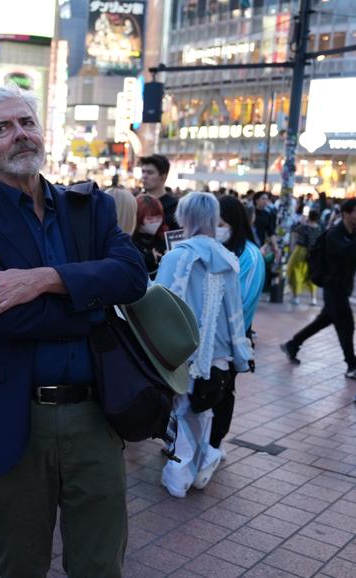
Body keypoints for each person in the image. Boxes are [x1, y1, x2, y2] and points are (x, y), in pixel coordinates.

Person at [0, 84, 147, 578]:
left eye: (27, 123)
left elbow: (132, 277)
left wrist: (45, 280)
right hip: (16, 418)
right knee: (20, 563)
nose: (20, 135)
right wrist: (92, 302)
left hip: (96, 414)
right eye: (4, 128)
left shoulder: (88, 206)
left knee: (101, 564)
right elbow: (4, 316)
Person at [155, 192, 252, 498]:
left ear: (185, 218)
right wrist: (241, 356)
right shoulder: (228, 259)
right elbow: (235, 313)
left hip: (182, 353)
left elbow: (159, 305)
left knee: (180, 412)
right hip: (219, 355)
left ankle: (179, 474)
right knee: (202, 411)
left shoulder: (176, 256)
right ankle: (199, 461)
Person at [212, 194, 264, 456]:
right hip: (201, 336)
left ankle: (215, 444)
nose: (216, 229)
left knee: (222, 391)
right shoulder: (211, 249)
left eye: (221, 223)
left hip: (229, 338)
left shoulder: (250, 257)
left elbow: (240, 304)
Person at [281, 199, 356, 379]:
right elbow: (346, 252)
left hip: (343, 287)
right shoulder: (335, 234)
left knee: (324, 320)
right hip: (332, 287)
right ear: (346, 213)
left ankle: (293, 344)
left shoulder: (352, 233)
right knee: (346, 325)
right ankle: (352, 365)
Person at [287, 208, 322, 306]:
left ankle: (296, 297)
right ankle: (313, 298)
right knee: (311, 274)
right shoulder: (319, 228)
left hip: (300, 251)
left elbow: (294, 233)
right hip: (313, 253)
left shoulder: (303, 227)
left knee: (296, 273)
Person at [132, 193, 167, 279]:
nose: (155, 222)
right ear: (138, 217)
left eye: (158, 218)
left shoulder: (163, 238)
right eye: (149, 219)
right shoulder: (130, 240)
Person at [140, 154, 178, 230]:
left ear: (163, 177)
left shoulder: (175, 207)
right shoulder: (136, 203)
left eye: (150, 172)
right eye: (143, 172)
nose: (144, 176)